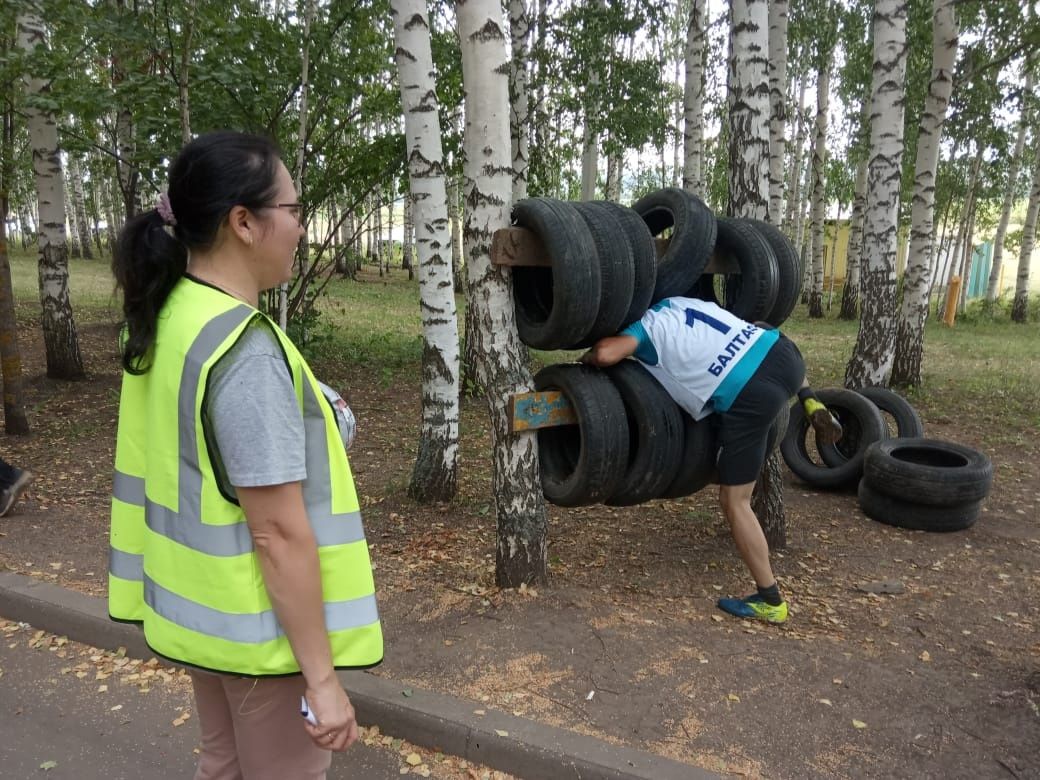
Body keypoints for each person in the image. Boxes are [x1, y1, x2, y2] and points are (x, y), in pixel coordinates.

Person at [109, 131, 382, 780]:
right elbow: (279, 532)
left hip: (205, 617)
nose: (301, 227)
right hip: (262, 637)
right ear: (243, 223)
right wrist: (321, 681)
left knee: (223, 766)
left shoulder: (171, 312)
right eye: (292, 210)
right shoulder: (244, 350)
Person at [582, 296, 841, 625]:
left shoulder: (646, 326)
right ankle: (811, 401)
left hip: (749, 395)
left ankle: (770, 600)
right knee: (764, 329)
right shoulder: (680, 301)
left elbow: (608, 353)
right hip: (784, 358)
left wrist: (591, 355)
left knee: (735, 501)